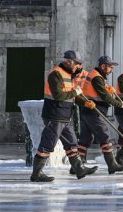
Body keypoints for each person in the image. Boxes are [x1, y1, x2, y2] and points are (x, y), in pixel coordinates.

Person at [30, 50, 97, 182]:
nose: (79, 66)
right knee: (47, 144)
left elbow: (70, 96)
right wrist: (74, 92)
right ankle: (36, 174)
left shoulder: (68, 74)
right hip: (54, 115)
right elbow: (59, 96)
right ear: (69, 61)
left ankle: (79, 168)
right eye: (77, 64)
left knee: (72, 143)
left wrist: (85, 102)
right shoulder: (56, 74)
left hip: (65, 116)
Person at [78, 55, 123, 174]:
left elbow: (100, 91)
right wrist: (120, 104)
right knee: (105, 136)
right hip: (94, 111)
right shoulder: (97, 77)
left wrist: (108, 88)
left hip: (88, 111)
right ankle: (112, 165)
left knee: (85, 139)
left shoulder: (97, 76)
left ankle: (77, 165)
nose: (112, 70)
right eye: (110, 67)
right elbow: (104, 97)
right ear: (103, 66)